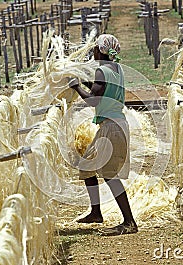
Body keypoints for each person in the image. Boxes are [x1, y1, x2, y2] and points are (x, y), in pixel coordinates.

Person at [68, 34, 138, 236]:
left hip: (112, 127)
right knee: (87, 165)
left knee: (109, 174)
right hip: (114, 125)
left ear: (100, 50)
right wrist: (84, 84)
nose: (93, 52)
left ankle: (129, 222)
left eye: (95, 49)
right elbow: (101, 90)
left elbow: (93, 101)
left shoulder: (101, 70)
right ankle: (96, 212)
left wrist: (76, 86)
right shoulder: (117, 69)